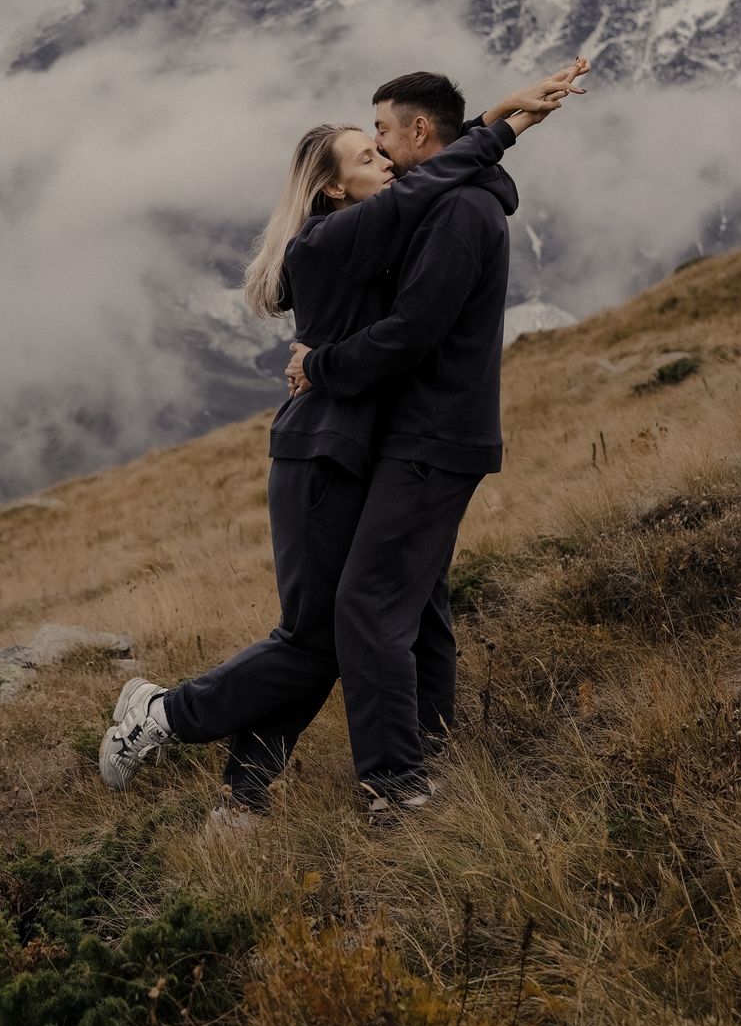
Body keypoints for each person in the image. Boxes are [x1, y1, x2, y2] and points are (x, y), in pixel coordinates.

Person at [98, 60, 586, 828]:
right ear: (331, 187)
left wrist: (502, 126)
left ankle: (278, 787)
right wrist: (500, 124)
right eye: (369, 152)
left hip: (370, 445)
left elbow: (430, 188)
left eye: (383, 139)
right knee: (322, 635)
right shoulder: (326, 241)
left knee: (378, 617)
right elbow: (425, 187)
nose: (384, 155)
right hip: (322, 446)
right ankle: (174, 722)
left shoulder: (405, 219)